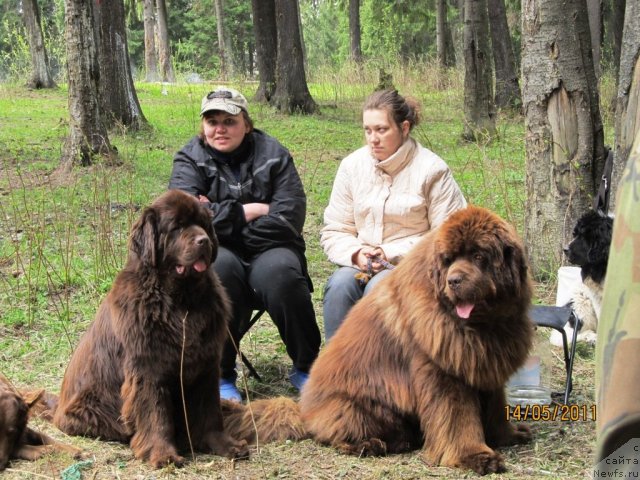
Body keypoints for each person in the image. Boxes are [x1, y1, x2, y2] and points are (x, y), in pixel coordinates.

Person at [168, 87, 321, 401]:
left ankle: (308, 368)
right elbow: (184, 217)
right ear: (203, 126)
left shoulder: (274, 153)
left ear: (246, 124)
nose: (220, 129)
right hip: (215, 251)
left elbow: (288, 219)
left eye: (229, 120)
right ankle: (221, 375)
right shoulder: (189, 158)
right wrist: (248, 211)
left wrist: (217, 217)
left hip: (272, 247)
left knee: (280, 274)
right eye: (212, 121)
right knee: (219, 271)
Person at [321, 89, 467, 341]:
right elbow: (335, 228)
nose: (373, 139)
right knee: (338, 288)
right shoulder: (351, 166)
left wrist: (390, 252)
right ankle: (340, 370)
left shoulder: (432, 170)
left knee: (381, 290)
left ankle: (381, 371)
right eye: (367, 130)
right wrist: (357, 253)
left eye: (381, 130)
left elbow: (448, 237)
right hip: (361, 262)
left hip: (414, 266)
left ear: (404, 127)